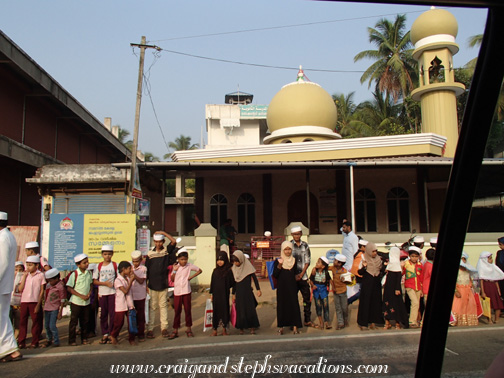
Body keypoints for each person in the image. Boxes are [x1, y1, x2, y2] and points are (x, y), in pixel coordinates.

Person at [145, 231, 177, 338]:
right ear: (154, 242)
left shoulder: (166, 251)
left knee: (163, 306)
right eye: (156, 242)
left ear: (163, 241)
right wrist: (146, 284)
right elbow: (147, 270)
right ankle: (150, 329)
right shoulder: (150, 254)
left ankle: (164, 328)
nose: (158, 244)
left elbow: (173, 241)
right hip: (152, 285)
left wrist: (163, 232)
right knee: (153, 307)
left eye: (160, 242)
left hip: (163, 284)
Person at [0, 211, 22, 362]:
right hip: (5, 284)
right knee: (2, 318)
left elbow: (2, 264)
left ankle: (9, 350)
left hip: (1, 284)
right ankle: (10, 350)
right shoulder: (9, 236)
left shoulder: (3, 238)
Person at [167, 248, 202, 339]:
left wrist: (191, 277)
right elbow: (172, 279)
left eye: (185, 259)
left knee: (187, 310)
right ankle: (175, 330)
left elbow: (199, 270)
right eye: (182, 259)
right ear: (178, 259)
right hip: (178, 291)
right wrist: (174, 271)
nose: (183, 261)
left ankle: (189, 328)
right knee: (177, 311)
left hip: (186, 290)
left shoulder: (189, 266)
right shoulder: (175, 266)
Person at [273, 241, 302, 335]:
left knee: (293, 305)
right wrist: (280, 265)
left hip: (292, 287)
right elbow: (275, 274)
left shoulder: (294, 260)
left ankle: (295, 326)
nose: (288, 251)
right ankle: (281, 327)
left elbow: (295, 273)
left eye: (289, 249)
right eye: (285, 249)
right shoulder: (278, 261)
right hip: (282, 288)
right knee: (282, 306)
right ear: (282, 250)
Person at [17, 255, 46, 348]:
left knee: (35, 322)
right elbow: (20, 289)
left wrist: (38, 304)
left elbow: (42, 290)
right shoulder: (25, 275)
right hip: (24, 301)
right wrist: (24, 277)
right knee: (23, 322)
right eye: (27, 265)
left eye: (30, 265)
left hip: (34, 301)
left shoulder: (40, 275)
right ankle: (21, 341)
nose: (28, 267)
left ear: (36, 266)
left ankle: (35, 341)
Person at [231, 250, 261, 334]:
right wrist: (233, 294)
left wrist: (258, 289)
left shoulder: (248, 267)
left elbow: (255, 279)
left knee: (250, 309)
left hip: (248, 292)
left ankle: (252, 327)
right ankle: (241, 328)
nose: (236, 263)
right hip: (239, 293)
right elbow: (234, 282)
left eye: (237, 261)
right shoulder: (234, 269)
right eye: (234, 261)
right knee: (240, 310)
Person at [66, 253, 93, 346]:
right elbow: (69, 287)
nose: (87, 264)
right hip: (76, 302)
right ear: (78, 264)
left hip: (86, 302)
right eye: (84, 263)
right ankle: (72, 340)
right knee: (74, 322)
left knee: (85, 321)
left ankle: (84, 339)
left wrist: (89, 293)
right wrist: (80, 295)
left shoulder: (89, 273)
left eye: (87, 262)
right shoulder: (75, 274)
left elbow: (91, 284)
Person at [93, 244, 117, 345]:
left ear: (112, 254)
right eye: (105, 254)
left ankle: (112, 333)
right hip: (102, 293)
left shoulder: (115, 265)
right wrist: (104, 283)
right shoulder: (98, 266)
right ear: (102, 255)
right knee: (103, 314)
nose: (107, 256)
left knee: (112, 314)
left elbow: (118, 278)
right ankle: (105, 333)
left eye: (109, 254)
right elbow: (94, 281)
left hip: (112, 293)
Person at [357, 242, 384, 330]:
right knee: (366, 302)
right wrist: (364, 267)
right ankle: (363, 323)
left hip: (376, 283)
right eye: (373, 251)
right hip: (367, 284)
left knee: (375, 302)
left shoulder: (379, 259)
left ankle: (374, 322)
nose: (374, 253)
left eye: (375, 251)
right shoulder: (364, 259)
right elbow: (359, 272)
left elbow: (381, 269)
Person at [290, 226, 312, 326]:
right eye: (295, 234)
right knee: (292, 300)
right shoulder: (289, 245)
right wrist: (294, 275)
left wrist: (302, 274)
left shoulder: (305, 245)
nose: (297, 236)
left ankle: (307, 319)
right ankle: (294, 321)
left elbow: (307, 260)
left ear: (301, 234)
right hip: (292, 278)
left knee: (306, 299)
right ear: (292, 235)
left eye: (298, 234)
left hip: (303, 277)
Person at [110, 261, 136, 345]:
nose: (130, 270)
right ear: (123, 269)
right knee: (119, 322)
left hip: (129, 304)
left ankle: (131, 339)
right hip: (121, 304)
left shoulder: (127, 278)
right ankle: (114, 335)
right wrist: (131, 281)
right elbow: (125, 291)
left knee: (131, 322)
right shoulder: (118, 280)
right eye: (129, 269)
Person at [209, 251, 235, 336]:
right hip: (216, 295)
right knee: (216, 311)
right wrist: (211, 293)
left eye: (221, 260)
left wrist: (230, 291)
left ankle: (224, 330)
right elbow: (212, 283)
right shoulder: (215, 271)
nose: (219, 262)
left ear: (225, 260)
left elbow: (232, 283)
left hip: (224, 294)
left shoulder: (228, 271)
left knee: (225, 310)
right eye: (218, 260)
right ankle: (215, 330)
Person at [382, 247, 409, 330]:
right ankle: (387, 322)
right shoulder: (390, 264)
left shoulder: (397, 265)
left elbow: (398, 278)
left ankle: (398, 323)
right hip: (388, 288)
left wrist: (397, 289)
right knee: (387, 304)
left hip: (394, 289)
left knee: (396, 304)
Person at [477, 251, 504, 324]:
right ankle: (489, 319)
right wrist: (483, 292)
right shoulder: (482, 268)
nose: (491, 260)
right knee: (488, 304)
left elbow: (496, 279)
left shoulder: (493, 267)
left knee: (497, 304)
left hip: (493, 287)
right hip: (486, 286)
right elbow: (481, 281)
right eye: (489, 258)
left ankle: (496, 319)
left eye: (491, 258)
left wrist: (498, 290)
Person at [42, 268, 65, 347]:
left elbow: (62, 299)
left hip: (54, 308)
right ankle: (49, 339)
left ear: (56, 278)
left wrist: (60, 311)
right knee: (47, 326)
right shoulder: (49, 285)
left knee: (52, 326)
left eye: (51, 280)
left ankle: (56, 341)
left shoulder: (60, 286)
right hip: (47, 307)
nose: (50, 282)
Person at [451, 260, 478, 326]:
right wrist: (455, 291)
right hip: (459, 291)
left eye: (464, 259)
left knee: (469, 306)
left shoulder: (467, 270)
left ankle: (468, 321)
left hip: (468, 291)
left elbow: (470, 280)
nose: (464, 260)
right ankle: (455, 321)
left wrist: (473, 288)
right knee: (458, 306)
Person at [310, 256, 332, 330]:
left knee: (326, 306)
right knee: (318, 306)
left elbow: (329, 280)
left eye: (318, 262)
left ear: (323, 266)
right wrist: (313, 285)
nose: (316, 263)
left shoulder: (326, 273)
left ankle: (326, 322)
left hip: (323, 290)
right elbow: (311, 280)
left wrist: (334, 287)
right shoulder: (314, 272)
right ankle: (321, 322)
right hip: (316, 292)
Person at [403, 246, 423, 328]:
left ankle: (415, 320)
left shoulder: (420, 265)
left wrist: (422, 289)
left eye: (416, 256)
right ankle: (411, 321)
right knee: (415, 302)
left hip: (418, 287)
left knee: (416, 304)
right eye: (412, 256)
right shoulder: (406, 264)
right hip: (409, 286)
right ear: (409, 256)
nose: (414, 258)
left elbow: (421, 277)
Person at [131, 250, 147, 342]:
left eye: (137, 261)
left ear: (140, 260)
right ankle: (133, 332)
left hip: (140, 295)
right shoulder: (130, 268)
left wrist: (134, 276)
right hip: (132, 295)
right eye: (133, 261)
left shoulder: (143, 269)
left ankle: (141, 333)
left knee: (141, 315)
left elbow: (141, 281)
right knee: (133, 315)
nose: (135, 263)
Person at [330, 254, 349, 330]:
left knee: (344, 307)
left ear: (340, 263)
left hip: (343, 291)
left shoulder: (344, 271)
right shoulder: (333, 268)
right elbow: (326, 267)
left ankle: (345, 319)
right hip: (335, 291)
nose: (334, 262)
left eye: (335, 260)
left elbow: (348, 281)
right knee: (338, 308)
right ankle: (340, 323)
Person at [10, 261, 24, 339]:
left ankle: (16, 338)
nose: (18, 272)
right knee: (9, 322)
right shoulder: (9, 279)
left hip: (19, 304)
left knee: (18, 323)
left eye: (20, 270)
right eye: (16, 269)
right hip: (10, 303)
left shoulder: (24, 279)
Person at [496, 237, 504, 302]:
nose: (499, 246)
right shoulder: (499, 253)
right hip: (501, 276)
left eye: (501, 244)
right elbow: (497, 264)